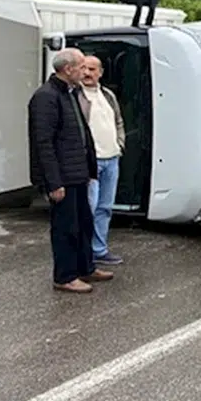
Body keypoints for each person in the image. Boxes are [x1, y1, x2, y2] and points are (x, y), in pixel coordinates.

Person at [27, 47, 113, 294]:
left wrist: (89, 169)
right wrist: (53, 182)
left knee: (84, 223)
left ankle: (85, 267)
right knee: (65, 228)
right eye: (81, 67)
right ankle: (64, 276)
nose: (84, 71)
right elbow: (43, 143)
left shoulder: (69, 93)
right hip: (62, 177)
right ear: (68, 69)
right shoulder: (46, 97)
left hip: (78, 173)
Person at [78, 55, 126, 266]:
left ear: (100, 72)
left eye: (92, 69)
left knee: (105, 208)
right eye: (84, 69)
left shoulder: (108, 95)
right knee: (88, 208)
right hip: (90, 162)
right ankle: (84, 253)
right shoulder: (75, 95)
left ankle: (99, 250)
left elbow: (118, 121)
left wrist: (120, 145)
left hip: (111, 159)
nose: (88, 73)